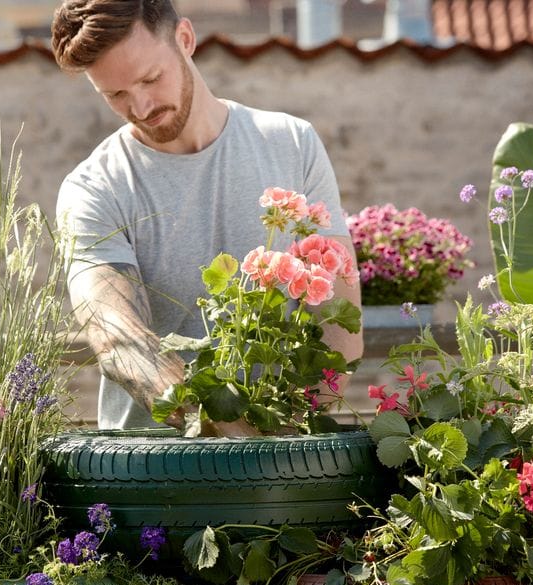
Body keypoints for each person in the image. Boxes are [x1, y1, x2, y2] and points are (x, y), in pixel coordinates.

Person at [51, 0, 362, 432]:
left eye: (150, 78)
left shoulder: (292, 144)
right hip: (148, 474)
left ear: (185, 39)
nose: (140, 106)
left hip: (285, 459)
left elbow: (339, 320)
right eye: (115, 95)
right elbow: (115, 334)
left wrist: (289, 433)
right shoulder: (93, 188)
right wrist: (226, 435)